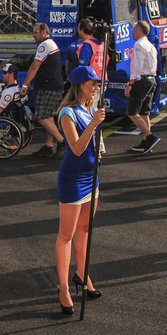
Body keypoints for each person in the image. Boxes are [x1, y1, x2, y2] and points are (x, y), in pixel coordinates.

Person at [55, 65, 108, 315]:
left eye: (97, 83)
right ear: (79, 86)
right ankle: (63, 287)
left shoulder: (89, 107)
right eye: (91, 84)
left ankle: (82, 274)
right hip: (73, 179)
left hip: (92, 176)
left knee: (85, 230)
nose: (96, 87)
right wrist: (95, 123)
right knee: (66, 234)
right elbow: (76, 149)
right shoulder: (68, 113)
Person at [20, 23, 67, 157]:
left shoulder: (45, 45)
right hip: (51, 85)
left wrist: (25, 84)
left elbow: (35, 66)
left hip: (49, 86)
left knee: (41, 116)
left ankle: (62, 141)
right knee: (48, 116)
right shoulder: (49, 44)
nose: (33, 35)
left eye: (35, 32)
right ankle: (48, 145)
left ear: (44, 32)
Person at [126, 21, 160, 153]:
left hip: (142, 80)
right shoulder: (150, 45)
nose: (132, 31)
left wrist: (130, 84)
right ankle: (147, 140)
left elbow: (136, 68)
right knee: (144, 112)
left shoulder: (138, 45)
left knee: (132, 112)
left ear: (139, 30)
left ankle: (150, 137)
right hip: (151, 79)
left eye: (134, 29)